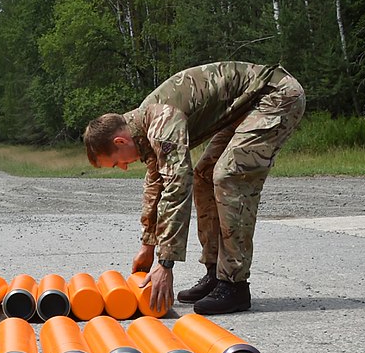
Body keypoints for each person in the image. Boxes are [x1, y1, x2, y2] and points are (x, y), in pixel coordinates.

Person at [84, 62, 305, 315]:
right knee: (205, 175)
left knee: (228, 176)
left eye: (116, 162)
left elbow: (177, 185)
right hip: (246, 107)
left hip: (275, 96)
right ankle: (215, 273)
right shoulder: (144, 126)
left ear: (120, 141)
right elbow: (157, 183)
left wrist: (165, 264)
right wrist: (148, 244)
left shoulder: (161, 121)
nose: (122, 167)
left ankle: (234, 284)